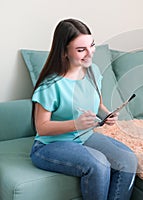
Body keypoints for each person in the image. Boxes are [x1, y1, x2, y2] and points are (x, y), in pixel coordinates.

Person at [30, 18, 137, 200]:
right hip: (50, 145)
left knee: (128, 160)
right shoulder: (51, 84)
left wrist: (107, 115)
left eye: (92, 45)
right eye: (81, 50)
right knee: (99, 164)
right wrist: (76, 124)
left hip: (85, 137)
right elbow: (42, 127)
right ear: (64, 52)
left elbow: (99, 105)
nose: (89, 53)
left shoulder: (93, 71)